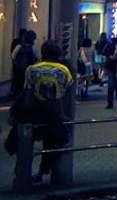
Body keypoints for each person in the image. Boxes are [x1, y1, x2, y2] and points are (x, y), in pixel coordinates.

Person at [22, 41, 74, 184]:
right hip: (56, 114)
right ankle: (42, 172)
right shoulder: (64, 70)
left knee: (24, 143)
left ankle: (21, 174)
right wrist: (67, 115)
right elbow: (68, 94)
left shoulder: (32, 69)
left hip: (35, 113)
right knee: (51, 145)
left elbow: (27, 93)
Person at [11, 31, 38, 97]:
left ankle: (16, 95)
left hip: (18, 68)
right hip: (29, 68)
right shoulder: (32, 48)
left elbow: (13, 56)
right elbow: (36, 57)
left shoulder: (19, 46)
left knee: (17, 82)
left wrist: (16, 63)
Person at [101, 33, 117, 109]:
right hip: (115, 67)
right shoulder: (115, 46)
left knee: (111, 85)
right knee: (115, 85)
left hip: (112, 67)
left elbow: (107, 55)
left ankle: (110, 102)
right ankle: (113, 102)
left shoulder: (110, 45)